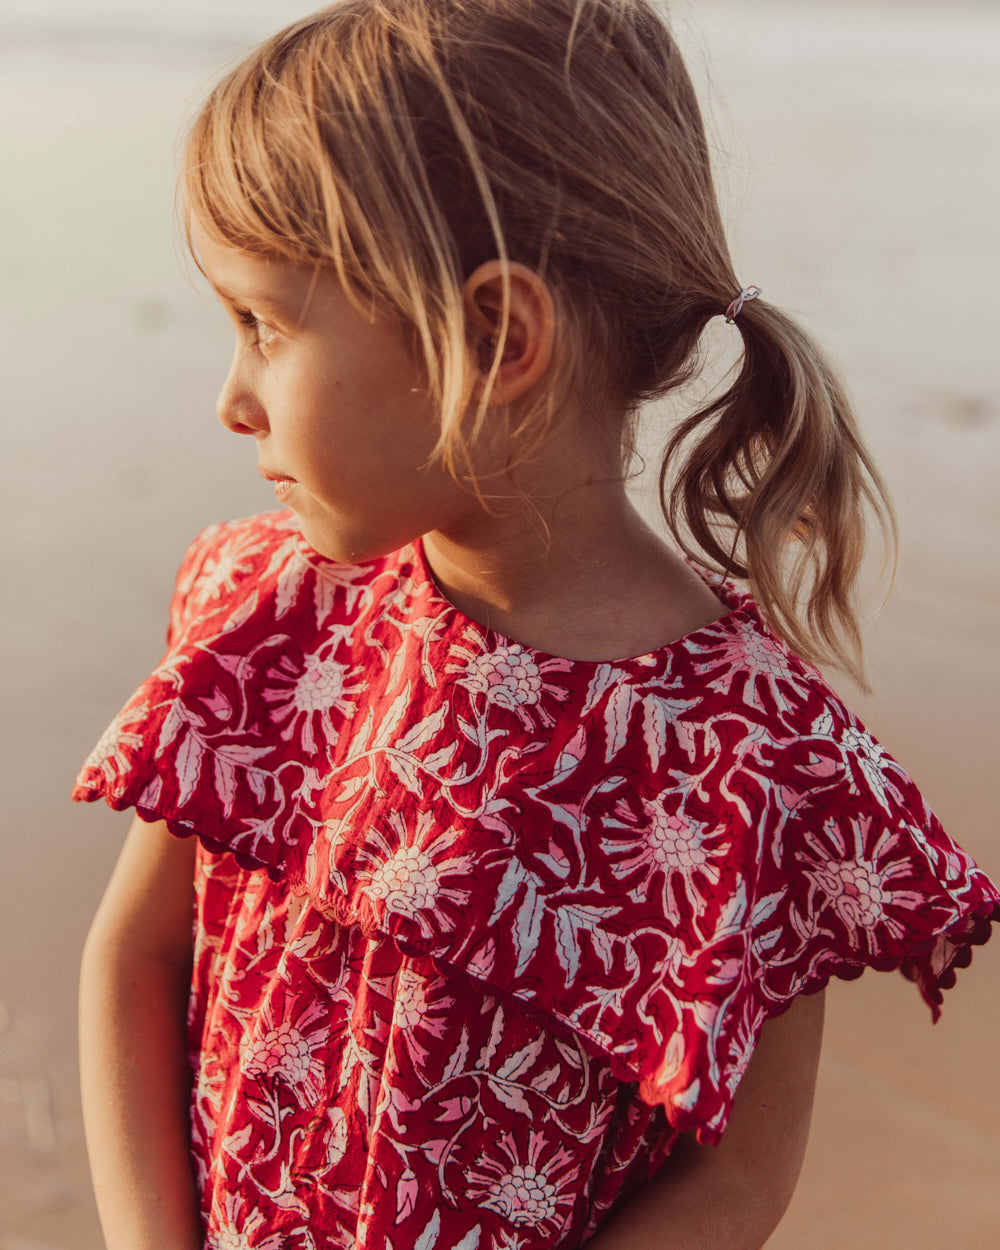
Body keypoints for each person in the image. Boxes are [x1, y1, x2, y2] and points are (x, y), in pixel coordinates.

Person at [75, 2, 999, 1247]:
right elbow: (135, 957)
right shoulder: (274, 616)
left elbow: (738, 1178)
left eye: (266, 326)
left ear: (496, 337)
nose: (233, 398)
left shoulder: (750, 760)